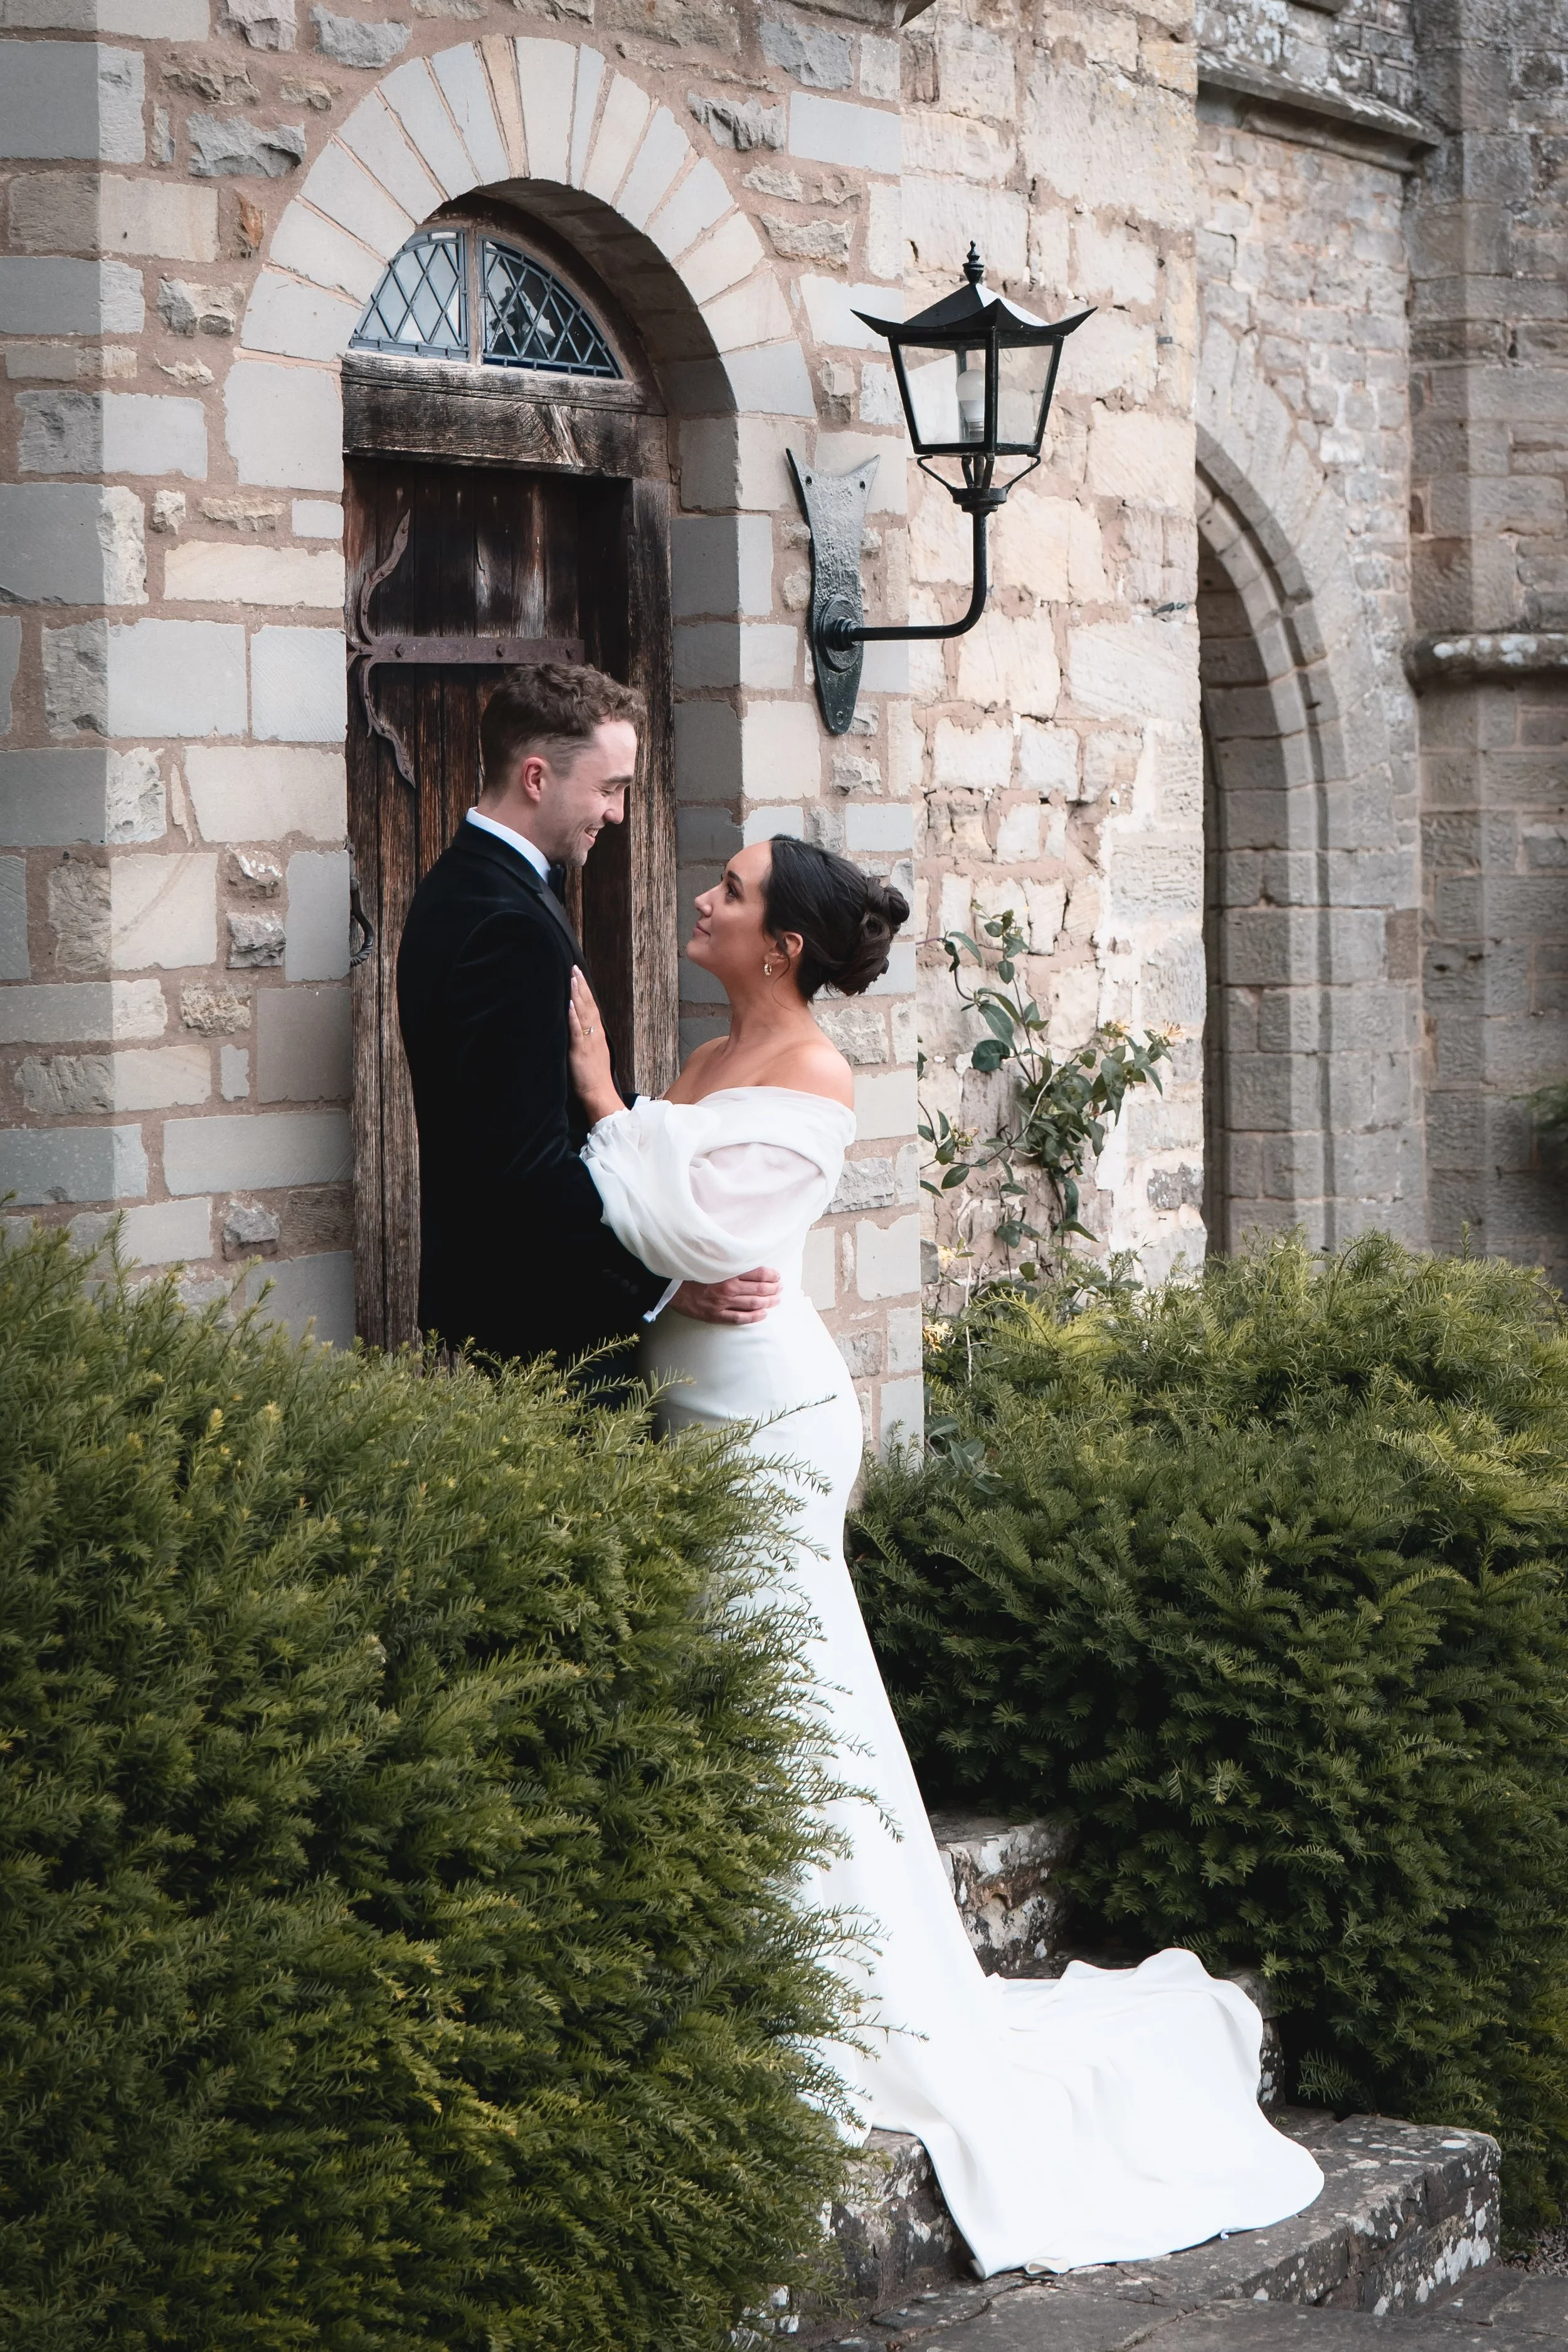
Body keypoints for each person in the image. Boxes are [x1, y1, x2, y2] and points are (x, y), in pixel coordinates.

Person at [566, 830, 1326, 2277]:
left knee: (788, 1700)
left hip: (765, 1418)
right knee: (752, 1695)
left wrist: (608, 1104)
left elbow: (678, 1214)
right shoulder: (714, 1057)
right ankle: (755, 1949)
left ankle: (826, 1982)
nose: (703, 901)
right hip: (698, 1397)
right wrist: (661, 1189)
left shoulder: (813, 1075)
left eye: (728, 889)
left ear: (782, 942)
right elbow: (672, 1233)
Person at [396, 662, 780, 1369]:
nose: (617, 814)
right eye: (608, 790)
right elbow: (527, 1165)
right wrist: (665, 1285)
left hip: (532, 1312)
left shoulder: (471, 885)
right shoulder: (502, 922)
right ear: (536, 778)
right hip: (548, 1325)